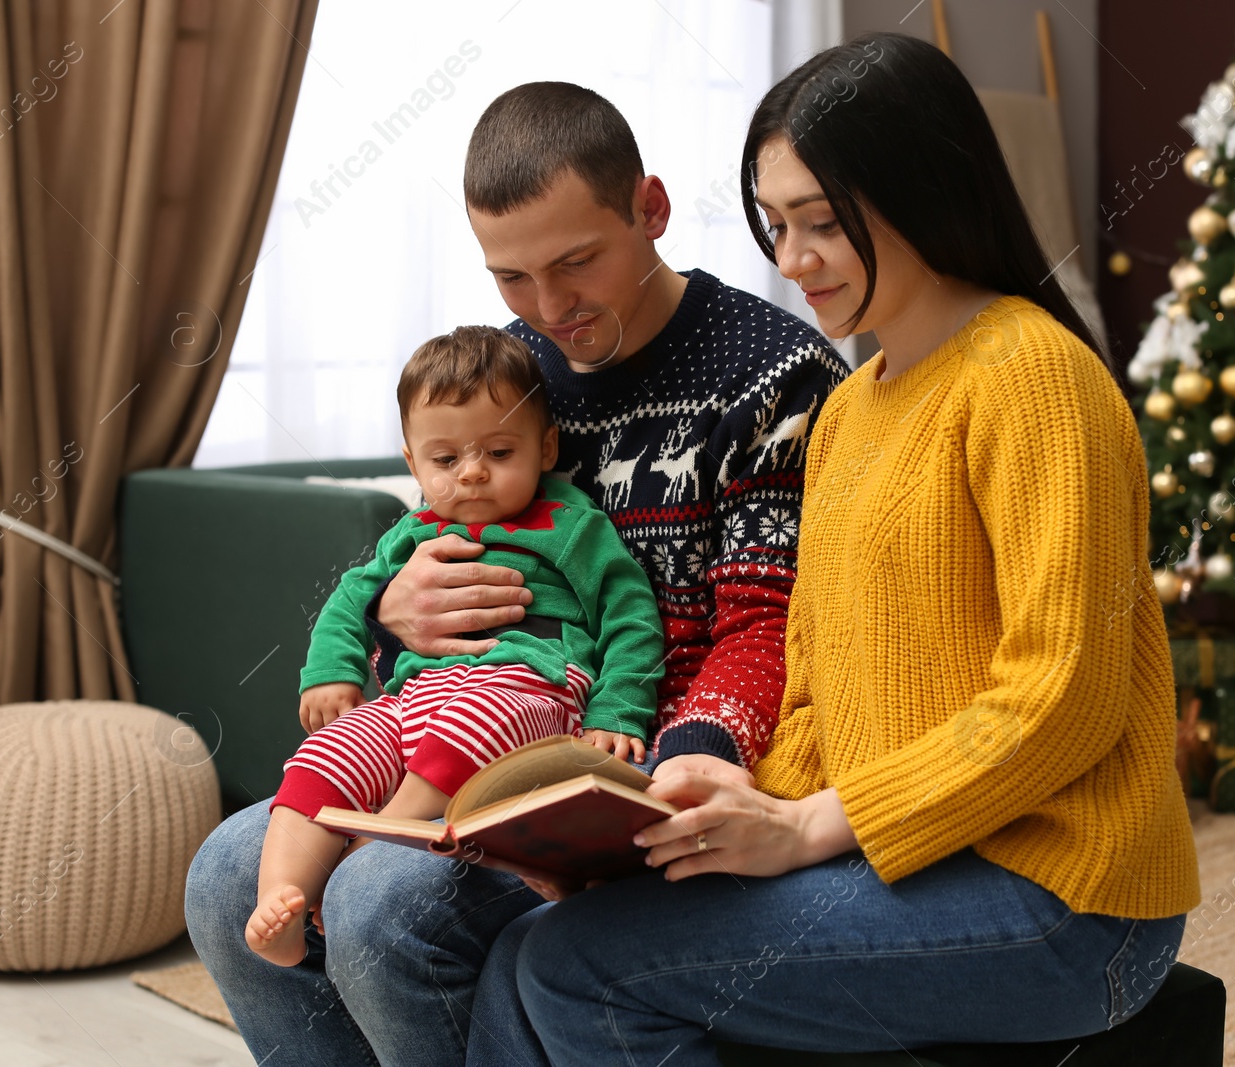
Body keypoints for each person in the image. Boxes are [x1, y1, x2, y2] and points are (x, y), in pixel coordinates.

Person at [462, 33, 1201, 1065]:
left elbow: (1061, 697)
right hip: (913, 859)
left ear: (922, 191)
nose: (790, 257)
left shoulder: (1033, 377)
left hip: (1065, 899)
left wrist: (809, 827)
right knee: (536, 944)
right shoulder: (851, 411)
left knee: (579, 968)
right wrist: (732, 807)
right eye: (775, 223)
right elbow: (810, 677)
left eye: (820, 222)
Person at [185, 82, 846, 1066]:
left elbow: (772, 626)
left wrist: (652, 776)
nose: (550, 309)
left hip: (646, 771)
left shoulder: (774, 376)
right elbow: (428, 529)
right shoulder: (517, 366)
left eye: (577, 262)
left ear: (651, 209)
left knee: (379, 900)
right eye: (511, 277)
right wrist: (391, 622)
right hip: (483, 726)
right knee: (226, 871)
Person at [244, 326, 664, 967]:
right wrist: (330, 671)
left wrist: (617, 712)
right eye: (445, 461)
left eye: (499, 451)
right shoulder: (411, 533)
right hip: (415, 696)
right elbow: (352, 598)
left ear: (545, 446)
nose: (471, 473)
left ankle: (380, 839)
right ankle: (283, 894)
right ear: (413, 465)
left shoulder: (573, 526)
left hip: (529, 689)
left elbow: (632, 619)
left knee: (477, 717)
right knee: (326, 750)